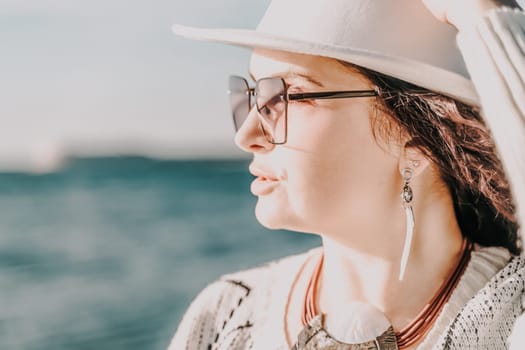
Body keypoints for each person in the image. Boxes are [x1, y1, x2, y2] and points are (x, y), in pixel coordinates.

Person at [169, 0, 525, 349]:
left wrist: (484, 14)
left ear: (418, 145)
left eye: (291, 95)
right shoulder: (224, 315)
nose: (246, 135)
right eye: (254, 94)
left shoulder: (512, 313)